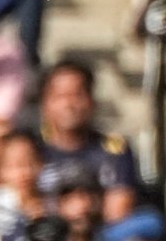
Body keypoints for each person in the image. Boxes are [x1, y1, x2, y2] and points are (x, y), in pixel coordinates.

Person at [37, 60, 139, 223]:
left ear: (92, 100)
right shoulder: (33, 151)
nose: (69, 105)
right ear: (45, 104)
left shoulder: (113, 151)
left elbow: (118, 211)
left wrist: (85, 209)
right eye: (60, 96)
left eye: (78, 95)